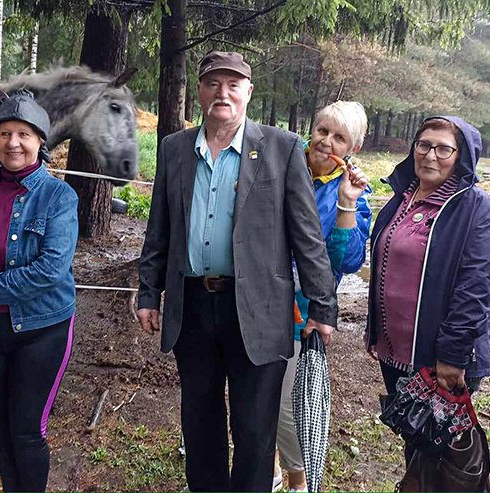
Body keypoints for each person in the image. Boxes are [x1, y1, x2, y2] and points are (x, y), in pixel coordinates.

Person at [136, 51, 338, 492]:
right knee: (200, 423)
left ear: (248, 92)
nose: (221, 93)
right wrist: (148, 292)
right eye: (212, 84)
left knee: (254, 430)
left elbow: (307, 236)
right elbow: (160, 230)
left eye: (233, 85)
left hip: (259, 309)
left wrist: (323, 304)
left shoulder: (281, 148)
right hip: (192, 306)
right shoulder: (174, 149)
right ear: (201, 92)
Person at [0, 91, 79, 493]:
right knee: (2, 426)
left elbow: (50, 270)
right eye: (5, 133)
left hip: (41, 329)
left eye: (24, 134)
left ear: (41, 142)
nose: (13, 143)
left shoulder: (59, 197)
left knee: (26, 429)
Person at [366, 116, 490, 461]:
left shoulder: (475, 208)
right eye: (424, 144)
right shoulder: (401, 197)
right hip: (396, 351)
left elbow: (476, 287)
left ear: (461, 156)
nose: (430, 155)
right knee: (415, 442)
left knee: (442, 456)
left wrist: (452, 356)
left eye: (443, 149)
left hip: (439, 357)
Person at [274, 101, 372, 492]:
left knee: (287, 400)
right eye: (322, 131)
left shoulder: (352, 194)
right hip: (255, 298)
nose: (326, 141)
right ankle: (271, 471)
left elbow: (346, 262)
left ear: (353, 148)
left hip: (304, 312)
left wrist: (347, 202)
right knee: (252, 390)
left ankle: (299, 482)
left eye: (339, 137)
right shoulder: (281, 164)